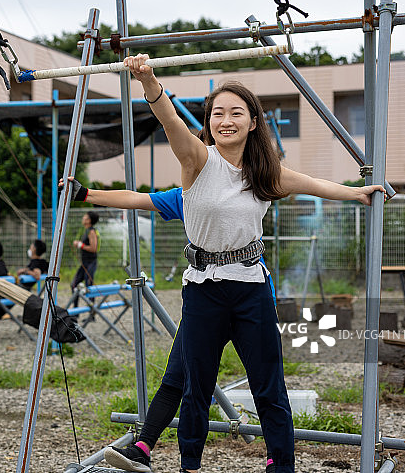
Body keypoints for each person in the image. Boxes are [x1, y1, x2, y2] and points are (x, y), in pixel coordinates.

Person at [123, 54, 384, 473]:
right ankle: (189, 465)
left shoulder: (265, 172)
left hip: (250, 290)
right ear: (208, 123)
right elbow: (170, 120)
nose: (226, 120)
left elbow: (316, 185)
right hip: (203, 289)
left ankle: (281, 464)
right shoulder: (198, 160)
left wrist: (357, 193)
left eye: (236, 112)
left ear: (253, 122)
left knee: (268, 386)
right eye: (217, 114)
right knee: (196, 387)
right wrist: (149, 81)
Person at [64, 177, 274, 473]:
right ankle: (143, 448)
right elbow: (136, 199)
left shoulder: (253, 182)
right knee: (176, 377)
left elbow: (305, 183)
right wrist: (85, 194)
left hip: (247, 297)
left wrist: (355, 191)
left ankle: (276, 458)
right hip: (205, 299)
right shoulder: (188, 195)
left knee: (265, 384)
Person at [69, 211, 99, 306]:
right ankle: (76, 312)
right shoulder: (86, 231)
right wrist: (80, 244)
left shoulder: (91, 232)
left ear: (89, 220)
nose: (83, 218)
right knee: (74, 284)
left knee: (89, 286)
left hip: (91, 262)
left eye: (85, 217)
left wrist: (80, 245)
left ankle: (92, 313)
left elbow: (93, 248)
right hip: (84, 263)